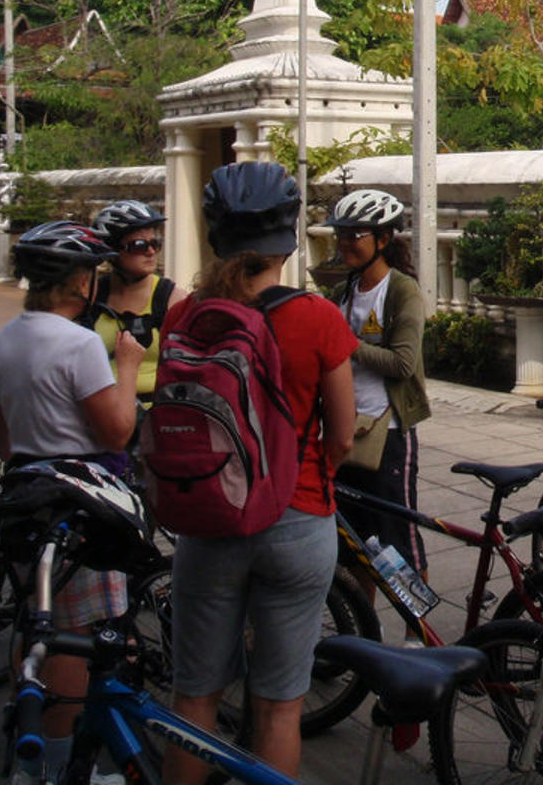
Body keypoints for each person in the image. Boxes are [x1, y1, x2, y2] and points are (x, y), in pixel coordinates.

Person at [162, 161, 357, 785]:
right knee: (279, 706)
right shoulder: (319, 317)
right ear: (288, 235)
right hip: (298, 520)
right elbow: (344, 435)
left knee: (194, 699)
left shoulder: (186, 314)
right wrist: (300, 480)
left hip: (208, 516)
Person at [0, 220, 145, 785]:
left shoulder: (7, 337)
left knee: (35, 628)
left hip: (25, 494)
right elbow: (118, 431)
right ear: (77, 281)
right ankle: (59, 766)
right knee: (80, 637)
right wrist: (126, 366)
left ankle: (30, 761)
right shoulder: (79, 344)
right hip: (76, 504)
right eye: (91, 273)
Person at [323, 188, 431, 613]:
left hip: (388, 432)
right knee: (354, 540)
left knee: (398, 538)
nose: (346, 242)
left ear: (383, 240)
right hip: (348, 428)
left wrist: (345, 344)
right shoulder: (346, 289)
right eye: (342, 234)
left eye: (357, 235)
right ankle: (367, 628)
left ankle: (417, 630)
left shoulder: (402, 291)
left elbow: (403, 364)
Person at [82, 199, 184, 408]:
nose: (151, 252)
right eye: (139, 245)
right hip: (101, 411)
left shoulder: (171, 299)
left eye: (155, 243)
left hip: (156, 412)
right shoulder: (93, 296)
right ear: (112, 250)